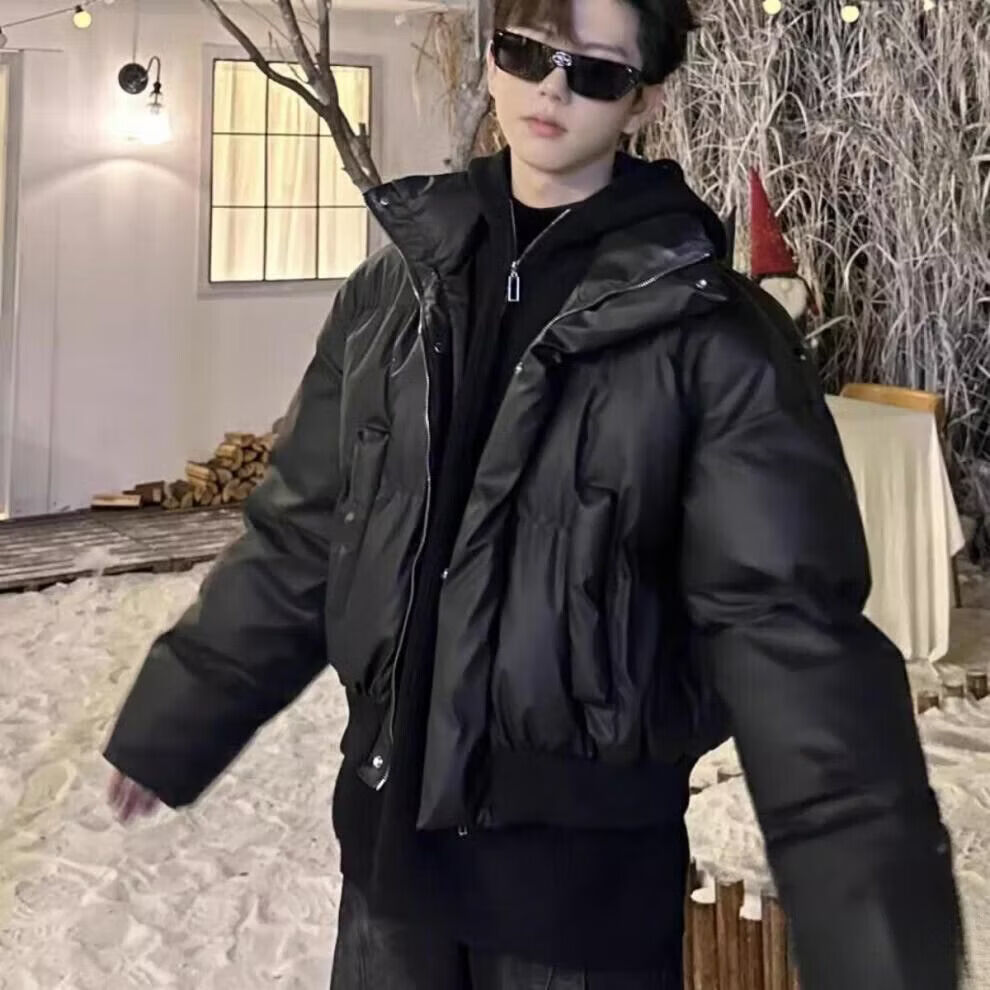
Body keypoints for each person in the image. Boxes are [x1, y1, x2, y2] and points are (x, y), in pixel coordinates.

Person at [104, 0, 964, 986]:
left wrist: (880, 946)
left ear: (644, 100)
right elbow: (301, 536)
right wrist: (181, 713)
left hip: (581, 900)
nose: (551, 88)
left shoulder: (713, 339)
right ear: (494, 59)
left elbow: (789, 633)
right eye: (527, 52)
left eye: (594, 71)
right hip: (389, 871)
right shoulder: (392, 296)